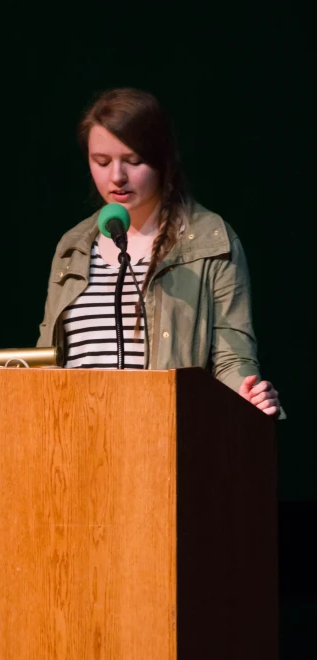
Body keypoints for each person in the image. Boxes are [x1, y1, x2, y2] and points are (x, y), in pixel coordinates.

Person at [37, 87, 281, 417]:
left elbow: (231, 357)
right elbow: (45, 357)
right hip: (74, 440)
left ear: (162, 159)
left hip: (158, 436)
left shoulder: (210, 239)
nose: (117, 177)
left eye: (133, 161)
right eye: (102, 162)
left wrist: (244, 395)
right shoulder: (72, 246)